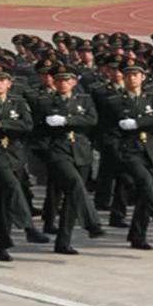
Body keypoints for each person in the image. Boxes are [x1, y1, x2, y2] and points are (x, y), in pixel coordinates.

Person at [0, 59, 48, 262]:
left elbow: (26, 126)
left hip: (14, 155)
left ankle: (1, 245)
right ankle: (28, 227)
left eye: (2, 80)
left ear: (10, 83)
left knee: (2, 200)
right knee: (12, 186)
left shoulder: (18, 102)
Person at [102, 59, 153, 250]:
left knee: (147, 193)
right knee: (144, 182)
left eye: (135, 75)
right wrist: (116, 151)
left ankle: (138, 236)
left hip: (151, 149)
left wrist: (139, 123)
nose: (132, 78)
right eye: (128, 75)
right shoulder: (114, 101)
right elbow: (106, 130)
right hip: (128, 150)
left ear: (143, 77)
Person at [32, 63, 105, 255]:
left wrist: (66, 120)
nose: (63, 83)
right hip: (58, 150)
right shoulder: (44, 101)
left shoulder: (85, 100)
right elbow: (36, 130)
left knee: (73, 197)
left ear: (73, 82)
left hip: (80, 150)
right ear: (53, 83)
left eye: (67, 79)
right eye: (59, 80)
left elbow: (92, 120)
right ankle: (92, 223)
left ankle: (63, 242)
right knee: (74, 184)